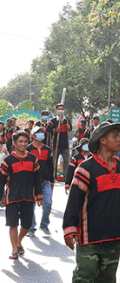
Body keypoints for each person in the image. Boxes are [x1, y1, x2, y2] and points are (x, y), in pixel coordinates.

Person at [63, 121, 120, 283]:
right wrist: (69, 229)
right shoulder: (86, 168)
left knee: (107, 280)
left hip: (113, 236)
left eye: (119, 136)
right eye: (115, 136)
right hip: (90, 238)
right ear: (103, 141)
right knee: (85, 274)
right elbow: (74, 202)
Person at [0, 131, 43, 259]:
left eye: (25, 141)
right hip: (12, 197)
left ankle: (19, 241)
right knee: (13, 224)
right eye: (20, 141)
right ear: (14, 143)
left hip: (28, 197)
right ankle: (14, 248)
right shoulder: (7, 161)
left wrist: (39, 194)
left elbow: (37, 179)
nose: (23, 144)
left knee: (27, 224)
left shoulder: (33, 159)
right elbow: (1, 181)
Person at [27, 126, 54, 237]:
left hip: (45, 181)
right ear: (33, 135)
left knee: (48, 202)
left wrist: (52, 181)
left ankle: (44, 224)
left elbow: (51, 166)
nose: (41, 134)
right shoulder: (28, 149)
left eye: (42, 132)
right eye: (38, 132)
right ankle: (31, 227)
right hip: (32, 182)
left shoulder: (47, 149)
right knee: (31, 205)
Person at [47, 103, 72, 178]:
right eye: (59, 109)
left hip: (65, 145)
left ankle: (66, 177)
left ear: (64, 110)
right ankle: (53, 176)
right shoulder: (53, 121)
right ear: (56, 110)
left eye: (62, 109)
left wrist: (69, 127)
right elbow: (48, 130)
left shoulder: (67, 120)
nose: (60, 111)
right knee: (54, 161)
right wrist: (55, 130)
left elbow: (70, 129)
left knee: (66, 161)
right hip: (56, 144)